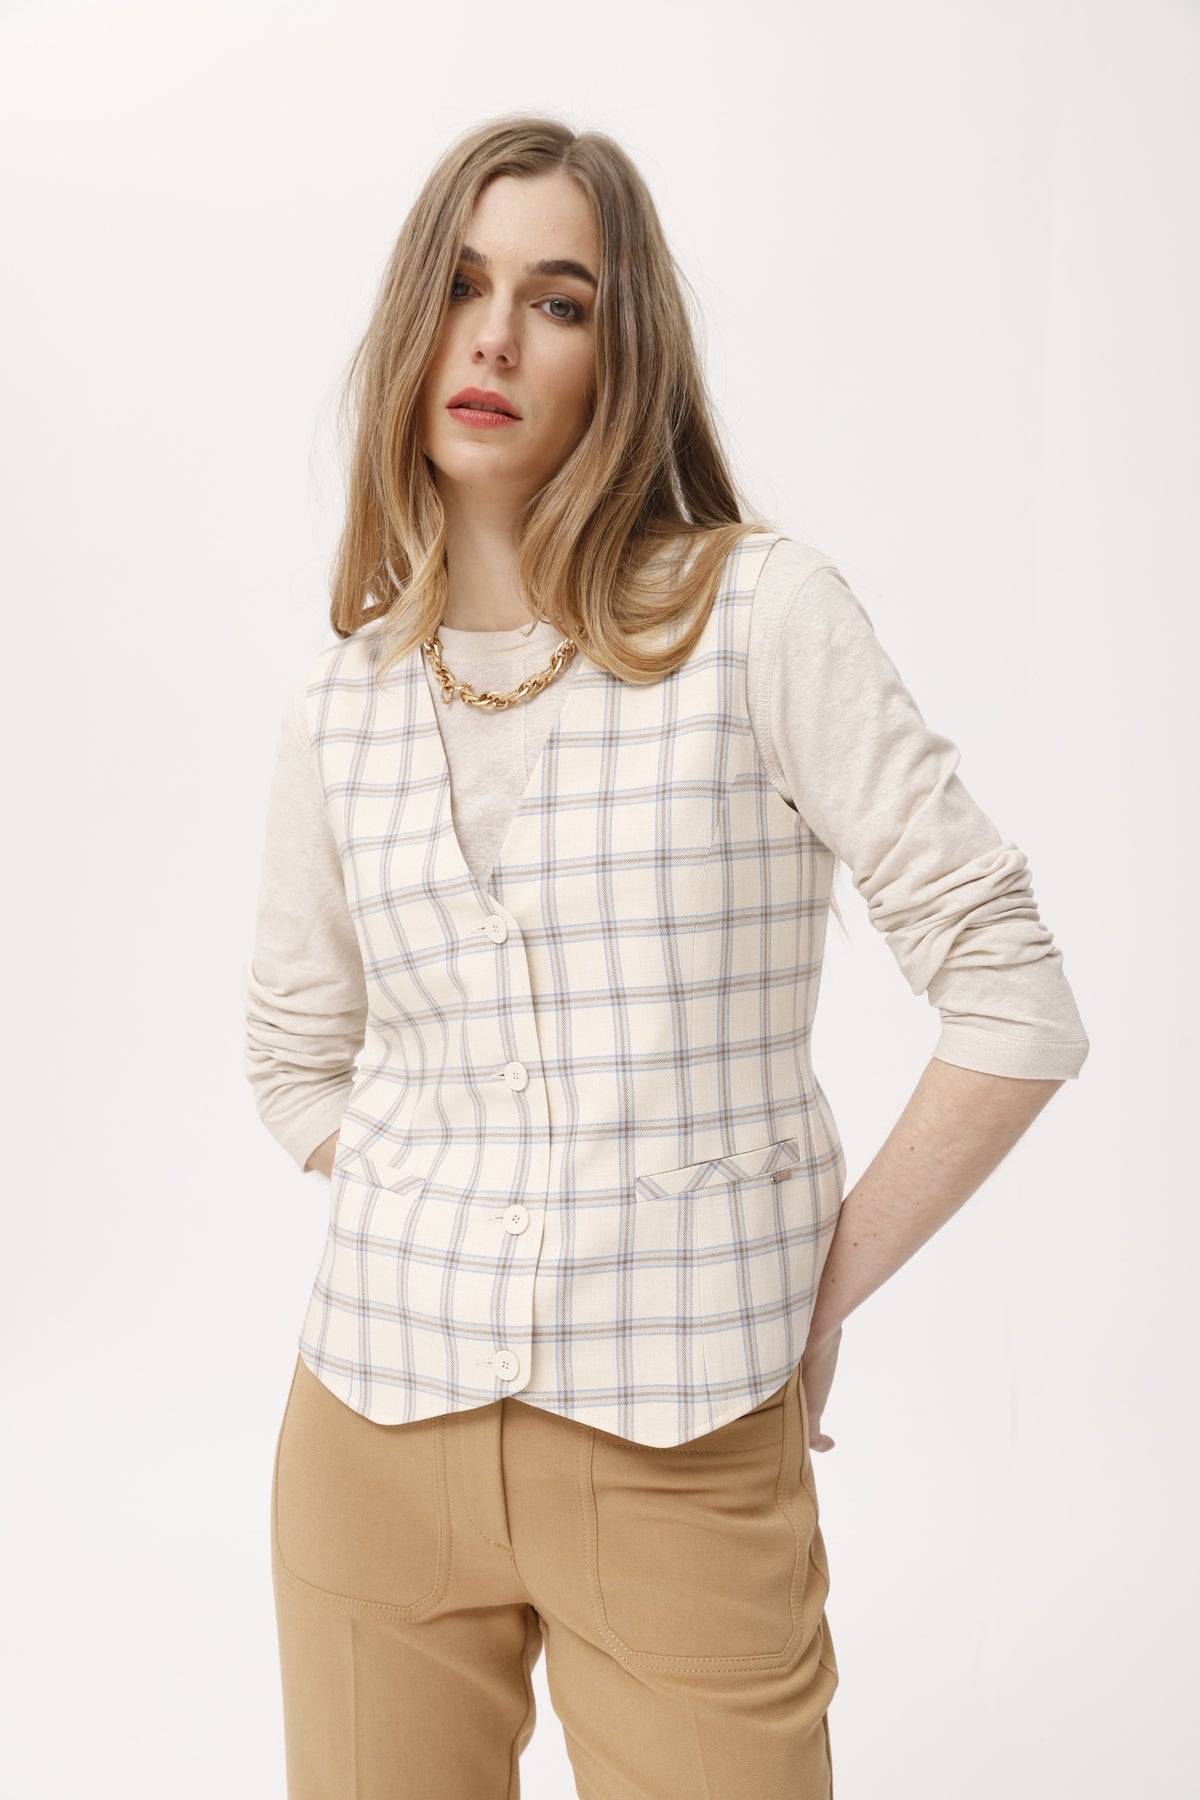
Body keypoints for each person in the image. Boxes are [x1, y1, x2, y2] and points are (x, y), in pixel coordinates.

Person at [242, 113, 1089, 1800]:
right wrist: (446, 1187)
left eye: (557, 301)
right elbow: (292, 1058)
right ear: (411, 327)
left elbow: (1014, 997)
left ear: (621, 359)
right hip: (368, 1438)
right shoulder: (345, 698)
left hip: (686, 1444)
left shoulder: (760, 618)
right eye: (462, 288)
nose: (496, 337)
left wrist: (816, 1286)